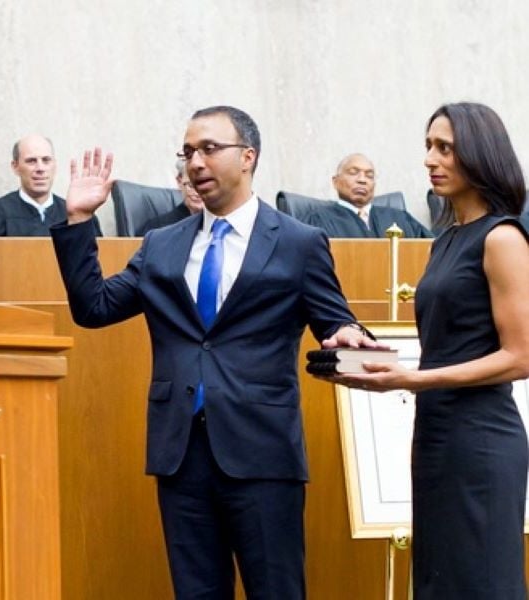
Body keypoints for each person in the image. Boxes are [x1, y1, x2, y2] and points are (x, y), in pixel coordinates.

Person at [50, 105, 381, 599]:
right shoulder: (161, 243)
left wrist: (349, 334)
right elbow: (94, 307)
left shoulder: (298, 242)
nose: (195, 162)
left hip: (263, 453)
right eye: (187, 153)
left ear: (248, 156)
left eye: (208, 149)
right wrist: (78, 220)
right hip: (181, 454)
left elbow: (334, 320)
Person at [329, 102, 529, 599]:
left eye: (445, 148)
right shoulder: (444, 241)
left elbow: (521, 356)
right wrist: (375, 358)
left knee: (480, 583)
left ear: (480, 155)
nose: (430, 159)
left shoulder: (502, 237)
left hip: (482, 440)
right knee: (439, 582)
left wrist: (413, 379)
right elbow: (450, 342)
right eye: (428, 147)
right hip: (437, 436)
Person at [0, 134, 101, 236]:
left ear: (55, 165)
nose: (40, 168)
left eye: (46, 160)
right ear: (15, 166)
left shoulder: (77, 216)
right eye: (31, 161)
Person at [304, 153, 433, 238]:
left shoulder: (399, 218)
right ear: (335, 182)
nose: (362, 180)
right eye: (353, 173)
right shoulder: (317, 220)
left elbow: (433, 248)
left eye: (369, 175)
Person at [139, 159, 204, 234]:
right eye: (191, 185)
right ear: (179, 181)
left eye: (203, 185)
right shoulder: (157, 228)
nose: (197, 193)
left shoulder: (218, 223)